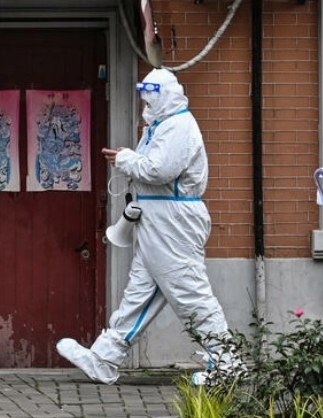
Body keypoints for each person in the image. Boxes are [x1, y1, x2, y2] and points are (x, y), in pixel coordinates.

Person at [56, 67, 232, 386]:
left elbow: (159, 170)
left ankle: (226, 361)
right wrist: (129, 160)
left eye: (151, 96)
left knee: (189, 290)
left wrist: (125, 159)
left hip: (173, 220)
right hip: (158, 217)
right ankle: (106, 356)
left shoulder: (178, 126)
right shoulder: (163, 126)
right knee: (140, 291)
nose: (146, 103)